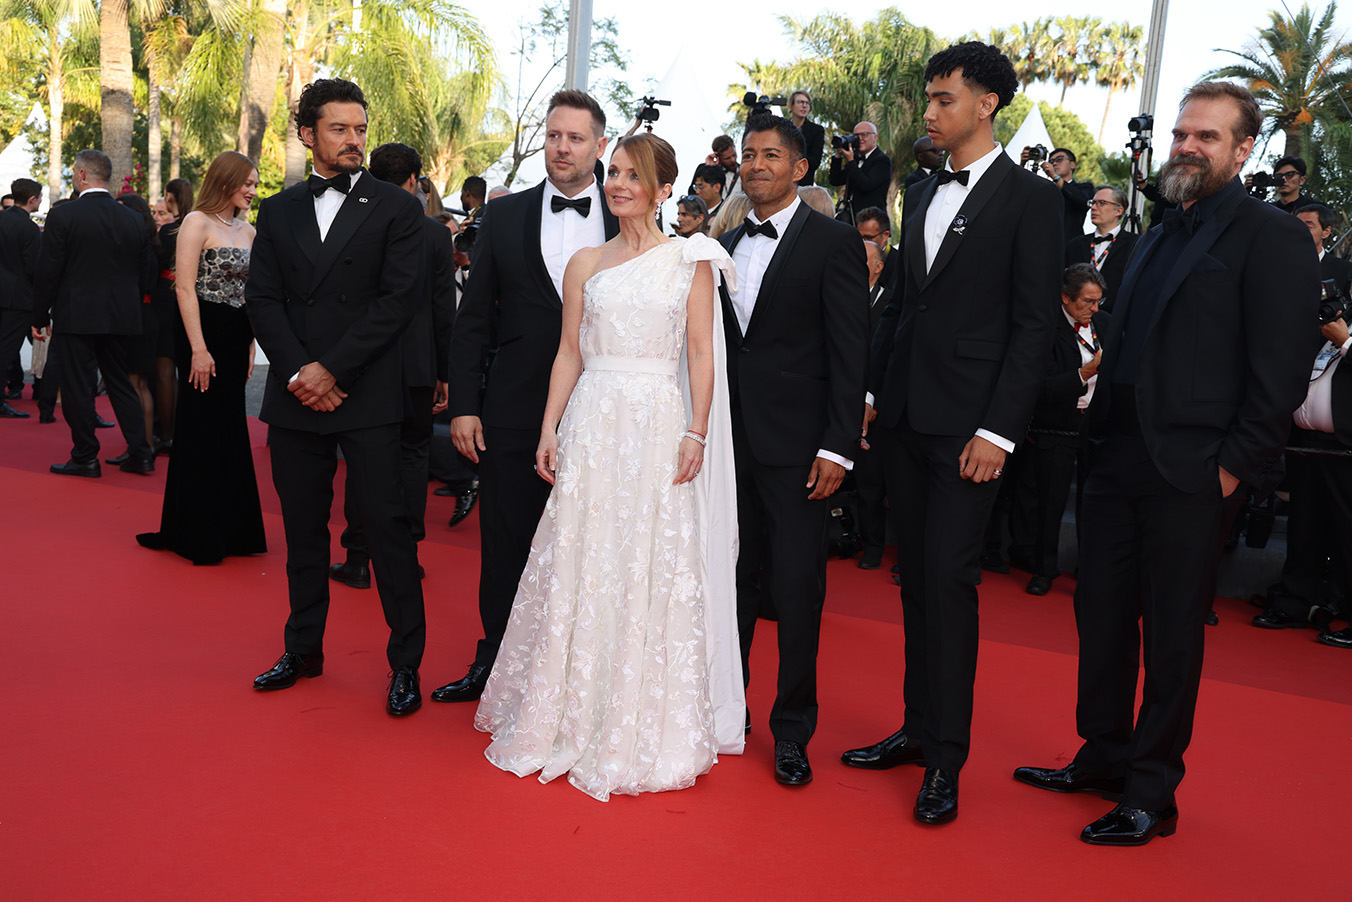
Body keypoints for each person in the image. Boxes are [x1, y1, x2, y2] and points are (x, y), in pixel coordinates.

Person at [1013, 81, 1317, 845]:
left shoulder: (1271, 236)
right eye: (1183, 134)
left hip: (1194, 470)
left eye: (1207, 137)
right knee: (1102, 617)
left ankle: (1152, 792)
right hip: (1115, 458)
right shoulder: (1152, 233)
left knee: (1172, 635)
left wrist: (1232, 469)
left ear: (1243, 150)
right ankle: (1103, 756)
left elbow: (1281, 369)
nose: (1187, 146)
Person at [475, 132, 743, 800]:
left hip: (656, 424)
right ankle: (567, 713)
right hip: (593, 421)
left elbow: (701, 353)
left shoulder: (691, 260)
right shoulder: (587, 263)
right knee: (583, 557)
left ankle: (634, 720)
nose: (619, 183)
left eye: (634, 175)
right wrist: (549, 425)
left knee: (646, 560)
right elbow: (569, 351)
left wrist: (697, 429)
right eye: (614, 172)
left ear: (662, 190)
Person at [843, 42, 1061, 826]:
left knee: (949, 583)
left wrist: (999, 431)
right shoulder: (924, 188)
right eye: (930, 98)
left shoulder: (1032, 200)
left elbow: (1033, 327)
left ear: (985, 104)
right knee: (916, 583)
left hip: (971, 429)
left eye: (943, 99)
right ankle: (916, 728)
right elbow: (904, 304)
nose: (930, 112)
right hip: (905, 416)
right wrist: (873, 392)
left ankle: (946, 759)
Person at [245, 78, 428, 717]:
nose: (354, 140)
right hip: (297, 395)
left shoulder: (397, 207)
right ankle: (302, 650)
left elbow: (397, 302)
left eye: (360, 129)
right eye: (339, 129)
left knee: (387, 531)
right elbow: (263, 299)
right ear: (307, 134)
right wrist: (302, 372)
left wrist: (333, 371)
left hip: (367, 393)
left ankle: (406, 664)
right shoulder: (279, 210)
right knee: (302, 532)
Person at [434, 90, 620, 704]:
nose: (561, 148)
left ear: (599, 145)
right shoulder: (506, 215)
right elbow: (474, 319)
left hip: (602, 408)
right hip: (513, 406)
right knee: (505, 541)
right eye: (553, 135)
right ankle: (494, 663)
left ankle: (574, 678)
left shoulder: (628, 216)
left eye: (575, 138)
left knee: (589, 544)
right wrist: (465, 404)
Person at [719, 114, 869, 786]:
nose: (756, 165)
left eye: (771, 155)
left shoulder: (834, 241)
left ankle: (792, 730)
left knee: (797, 590)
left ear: (800, 168)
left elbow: (850, 350)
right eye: (748, 154)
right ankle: (728, 712)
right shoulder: (722, 244)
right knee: (731, 585)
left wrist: (838, 447)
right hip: (729, 446)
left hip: (801, 449)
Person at [329, 142, 455, 589]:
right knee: (413, 457)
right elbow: (444, 309)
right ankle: (404, 555)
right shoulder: (436, 236)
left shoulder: (354, 225)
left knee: (363, 460)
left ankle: (359, 557)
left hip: (366, 362)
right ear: (413, 180)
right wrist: (444, 371)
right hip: (418, 364)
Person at [136, 151, 267, 566]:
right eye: (247, 183)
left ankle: (233, 529)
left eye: (254, 184)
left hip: (235, 336)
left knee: (230, 427)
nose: (252, 190)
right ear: (225, 180)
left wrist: (250, 345)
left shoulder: (249, 231)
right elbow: (184, 288)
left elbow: (250, 294)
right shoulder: (196, 222)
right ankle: (194, 530)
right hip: (201, 332)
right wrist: (198, 348)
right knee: (201, 426)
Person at [1251, 202, 1351, 631]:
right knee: (1303, 527)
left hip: (1345, 446)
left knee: (1346, 531)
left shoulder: (1341, 327)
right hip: (1307, 441)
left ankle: (1343, 609)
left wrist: (1345, 341)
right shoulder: (1334, 313)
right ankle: (1293, 601)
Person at [31, 149, 157, 478]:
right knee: (120, 384)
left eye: (75, 172)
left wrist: (39, 315)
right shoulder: (132, 218)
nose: (74, 176)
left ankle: (86, 456)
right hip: (120, 316)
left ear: (83, 175)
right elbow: (144, 271)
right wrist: (129, 305)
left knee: (77, 386)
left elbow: (48, 270)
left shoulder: (64, 215)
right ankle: (141, 454)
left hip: (77, 314)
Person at [1007, 264, 1107, 596]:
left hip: (1097, 428)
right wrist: (1087, 372)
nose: (1094, 309)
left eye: (1098, 301)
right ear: (1065, 298)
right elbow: (1043, 387)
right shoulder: (1045, 328)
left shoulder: (1106, 324)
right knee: (1049, 503)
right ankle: (1044, 569)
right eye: (1087, 302)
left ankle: (1091, 569)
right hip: (1055, 428)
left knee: (1097, 504)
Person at [853, 239, 895, 570]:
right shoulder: (841, 296)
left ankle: (879, 547)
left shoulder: (892, 303)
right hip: (843, 401)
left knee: (878, 482)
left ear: (878, 268)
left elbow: (893, 358)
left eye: (862, 258)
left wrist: (875, 398)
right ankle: (862, 542)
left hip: (881, 408)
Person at [112, 194, 160, 464]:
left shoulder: (139, 248)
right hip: (145, 316)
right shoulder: (150, 245)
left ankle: (140, 448)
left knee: (135, 384)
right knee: (139, 384)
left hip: (137, 317)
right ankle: (144, 445)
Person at [150, 178, 195, 454]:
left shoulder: (169, 231)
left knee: (165, 372)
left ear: (169, 197)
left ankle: (167, 435)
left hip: (165, 302)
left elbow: (153, 268)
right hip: (192, 303)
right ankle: (182, 433)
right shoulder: (199, 225)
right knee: (186, 370)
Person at [0, 178, 42, 421]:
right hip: (17, 299)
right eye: (40, 198)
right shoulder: (29, 229)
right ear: (32, 199)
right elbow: (34, 267)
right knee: (6, 351)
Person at [1064, 186, 1138, 312]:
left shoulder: (1135, 244)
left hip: (1114, 316)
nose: (1093, 207)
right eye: (1093, 203)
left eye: (1101, 203)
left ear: (1119, 210)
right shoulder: (1075, 245)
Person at [1022, 146, 1095, 242]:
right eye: (1051, 161)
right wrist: (1022, 165)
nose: (1054, 163)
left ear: (1072, 164)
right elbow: (1022, 199)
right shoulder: (1045, 189)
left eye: (1059, 159)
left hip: (1069, 245)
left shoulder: (1084, 187)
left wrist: (1054, 176)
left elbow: (1083, 200)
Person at [829, 121, 891, 220]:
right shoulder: (856, 159)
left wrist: (850, 162)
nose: (860, 139)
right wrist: (838, 156)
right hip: (851, 217)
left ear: (875, 137)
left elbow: (866, 185)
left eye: (864, 135)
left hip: (871, 219)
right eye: (856, 136)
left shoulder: (882, 160)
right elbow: (835, 180)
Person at [855, 206, 900, 292]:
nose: (863, 242)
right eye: (859, 237)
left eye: (868, 238)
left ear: (885, 236)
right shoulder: (853, 258)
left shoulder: (899, 264)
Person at [787, 90, 826, 186]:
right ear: (791, 105)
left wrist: (791, 156)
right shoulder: (782, 128)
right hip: (782, 182)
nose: (804, 106)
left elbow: (815, 161)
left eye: (807, 103)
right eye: (800, 102)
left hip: (804, 184)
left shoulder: (816, 130)